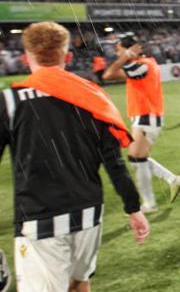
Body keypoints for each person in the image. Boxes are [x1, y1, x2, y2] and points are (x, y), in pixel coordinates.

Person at [0, 22, 149, 292]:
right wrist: (134, 208)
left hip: (39, 217)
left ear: (25, 58)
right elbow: (114, 163)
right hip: (88, 213)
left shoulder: (10, 102)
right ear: (67, 57)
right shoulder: (90, 96)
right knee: (79, 282)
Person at [103, 33, 180, 213]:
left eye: (119, 50)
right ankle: (172, 180)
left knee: (136, 158)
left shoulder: (141, 66)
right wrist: (125, 57)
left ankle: (150, 203)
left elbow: (107, 74)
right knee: (137, 158)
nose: (117, 54)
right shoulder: (144, 65)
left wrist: (125, 57)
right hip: (145, 116)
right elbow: (114, 74)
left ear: (128, 50)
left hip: (147, 116)